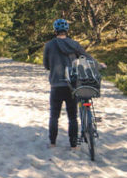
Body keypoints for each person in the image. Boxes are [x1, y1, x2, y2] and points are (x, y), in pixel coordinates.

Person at [42, 18, 104, 148]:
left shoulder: (49, 45)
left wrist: (53, 66)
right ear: (67, 30)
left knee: (54, 116)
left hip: (56, 85)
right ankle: (73, 145)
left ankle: (53, 143)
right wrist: (99, 64)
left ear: (55, 31)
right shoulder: (74, 44)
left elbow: (46, 65)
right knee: (72, 117)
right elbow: (86, 57)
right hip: (72, 85)